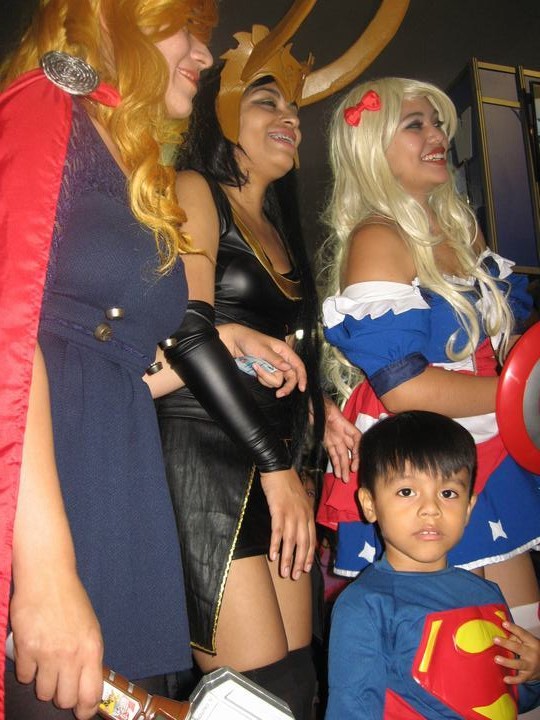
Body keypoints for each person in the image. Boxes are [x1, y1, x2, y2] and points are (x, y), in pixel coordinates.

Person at [0, 3, 304, 718]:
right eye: (185, 30)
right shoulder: (44, 106)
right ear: (114, 16)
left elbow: (107, 360)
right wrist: (43, 572)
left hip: (115, 490)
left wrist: (229, 340)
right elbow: (10, 330)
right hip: (49, 508)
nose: (201, 54)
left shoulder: (122, 154)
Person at [153, 24, 361, 719]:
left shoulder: (277, 225)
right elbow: (188, 331)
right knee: (257, 700)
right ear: (221, 111)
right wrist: (277, 470)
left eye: (294, 108)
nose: (290, 117)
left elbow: (276, 344)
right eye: (267, 101)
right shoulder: (195, 188)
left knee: (297, 684)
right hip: (206, 460)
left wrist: (317, 407)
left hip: (275, 466)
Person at [316, 77, 540, 634]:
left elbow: (504, 340)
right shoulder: (378, 238)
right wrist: (521, 395)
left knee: (524, 639)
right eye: (414, 124)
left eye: (437, 123)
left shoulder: (461, 227)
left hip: (493, 442)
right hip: (425, 459)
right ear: (372, 145)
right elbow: (404, 388)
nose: (437, 135)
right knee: (458, 650)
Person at [326, 411, 540, 719]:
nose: (431, 508)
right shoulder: (366, 605)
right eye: (407, 492)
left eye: (448, 493)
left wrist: (533, 673)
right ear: (370, 504)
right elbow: (351, 710)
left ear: (469, 508)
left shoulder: (487, 593)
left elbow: (503, 697)